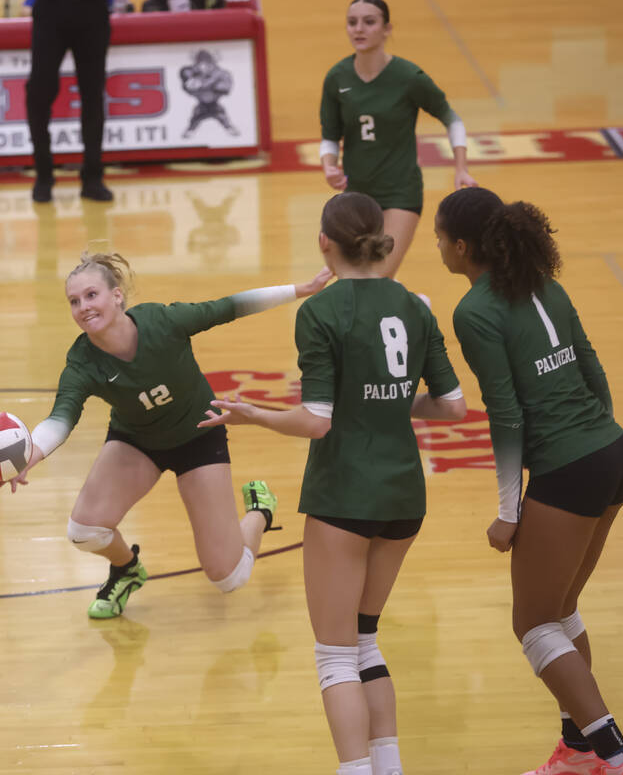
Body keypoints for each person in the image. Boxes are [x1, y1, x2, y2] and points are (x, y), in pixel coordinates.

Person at [199, 192, 467, 775]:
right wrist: (390, 402)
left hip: (344, 493)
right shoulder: (417, 305)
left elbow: (317, 422)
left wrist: (253, 413)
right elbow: (453, 407)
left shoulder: (320, 312)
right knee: (365, 641)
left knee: (335, 656)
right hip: (403, 498)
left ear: (325, 242)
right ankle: (388, 767)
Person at [435, 186, 623, 775]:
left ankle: (615, 757)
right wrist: (598, 432)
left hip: (569, 469)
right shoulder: (545, 285)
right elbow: (592, 367)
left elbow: (505, 415)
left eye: (439, 237)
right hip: (613, 452)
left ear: (461, 246)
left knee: (531, 622)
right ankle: (580, 749)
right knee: (559, 607)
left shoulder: (474, 311)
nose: (437, 247)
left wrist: (509, 510)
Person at [1, 251, 332, 618]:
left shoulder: (163, 321)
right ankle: (127, 569)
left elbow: (229, 306)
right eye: (74, 301)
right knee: (83, 530)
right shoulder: (82, 361)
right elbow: (61, 417)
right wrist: (31, 452)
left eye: (91, 295)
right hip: (137, 441)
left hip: (200, 436)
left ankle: (259, 512)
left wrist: (303, 288)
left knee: (230, 576)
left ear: (117, 296)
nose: (83, 307)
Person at [319, 0, 476, 280]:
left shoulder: (409, 77)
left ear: (387, 29)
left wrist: (461, 167)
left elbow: (451, 119)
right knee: (353, 279)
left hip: (399, 194)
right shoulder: (337, 78)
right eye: (352, 22)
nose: (359, 29)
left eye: (369, 22)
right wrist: (328, 165)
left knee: (376, 277)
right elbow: (330, 136)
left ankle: (414, 310)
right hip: (356, 196)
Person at [25, 0, 114, 204]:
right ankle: (44, 176)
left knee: (92, 92)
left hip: (91, 7)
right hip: (50, 10)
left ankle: (93, 178)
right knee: (39, 92)